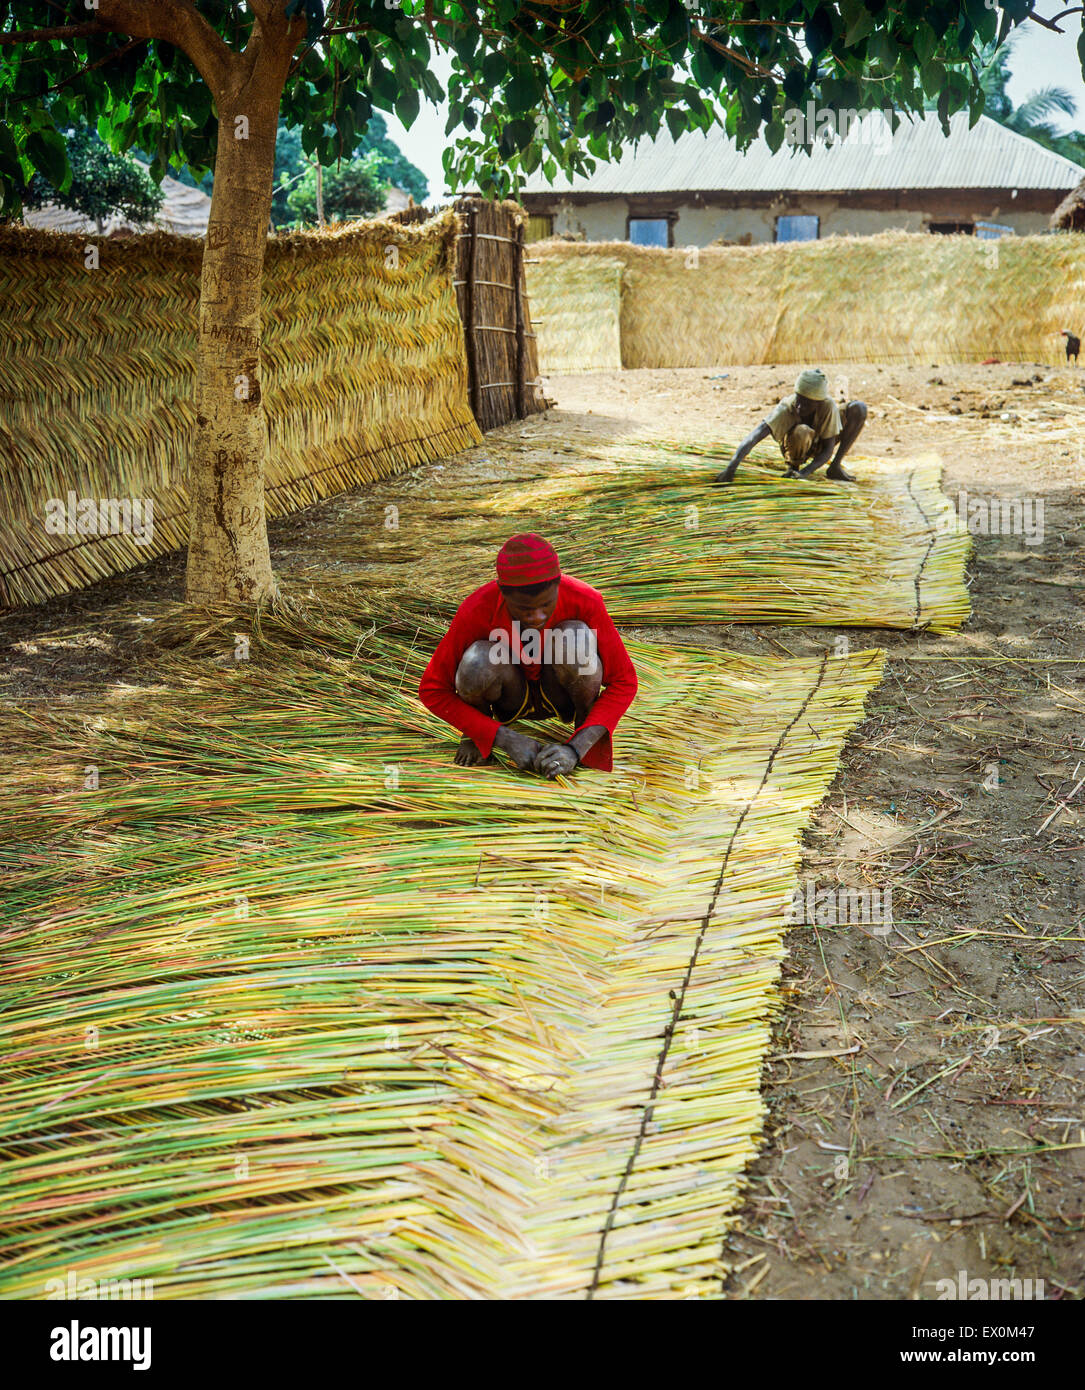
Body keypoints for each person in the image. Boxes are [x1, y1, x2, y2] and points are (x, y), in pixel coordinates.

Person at [418, 534, 638, 778]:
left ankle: (583, 729)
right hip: (510, 697)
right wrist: (504, 738)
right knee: (477, 661)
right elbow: (433, 689)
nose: (537, 618)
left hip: (561, 695)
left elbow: (624, 681)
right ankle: (477, 731)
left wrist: (576, 749)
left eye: (546, 605)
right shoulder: (477, 609)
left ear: (558, 584)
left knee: (575, 637)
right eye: (523, 609)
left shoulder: (585, 600)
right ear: (502, 592)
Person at [714, 368, 867, 484]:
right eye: (798, 399)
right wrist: (731, 467)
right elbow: (755, 435)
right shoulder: (788, 406)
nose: (799, 406)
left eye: (806, 403)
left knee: (859, 409)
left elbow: (828, 448)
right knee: (802, 431)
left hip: (819, 443)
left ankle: (835, 467)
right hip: (796, 444)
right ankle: (793, 467)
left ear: (818, 402)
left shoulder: (827, 406)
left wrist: (806, 473)